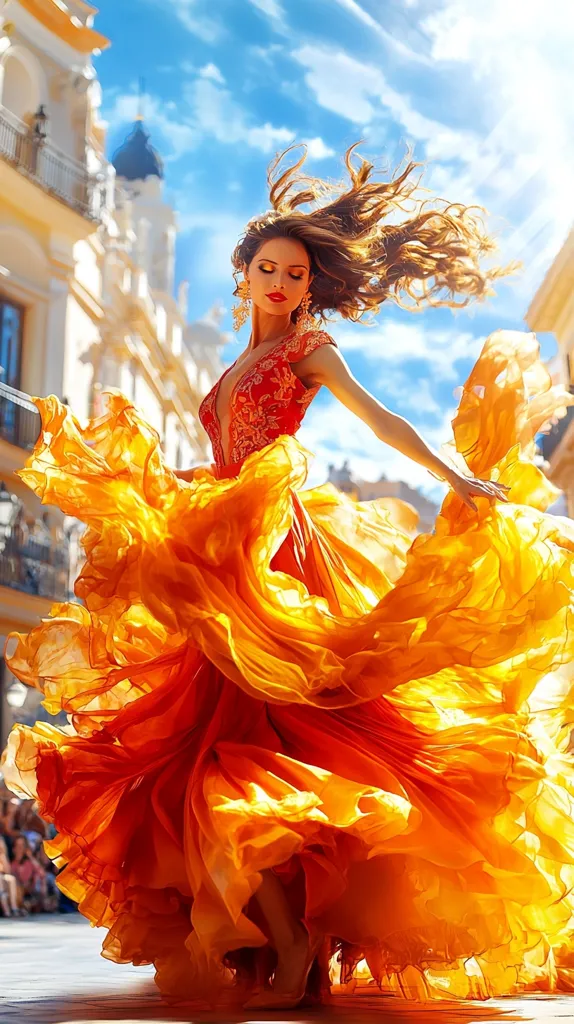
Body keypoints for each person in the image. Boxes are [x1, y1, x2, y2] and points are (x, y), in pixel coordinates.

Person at [1, 144, 574, 1010]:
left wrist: (452, 474)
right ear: (244, 273)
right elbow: (222, 457)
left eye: (294, 273)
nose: (278, 282)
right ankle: (291, 936)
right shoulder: (234, 361)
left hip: (274, 554)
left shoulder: (312, 347)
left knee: (274, 741)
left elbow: (381, 421)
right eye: (266, 268)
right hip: (218, 553)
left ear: (310, 287)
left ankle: (302, 940)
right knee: (209, 750)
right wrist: (160, 491)